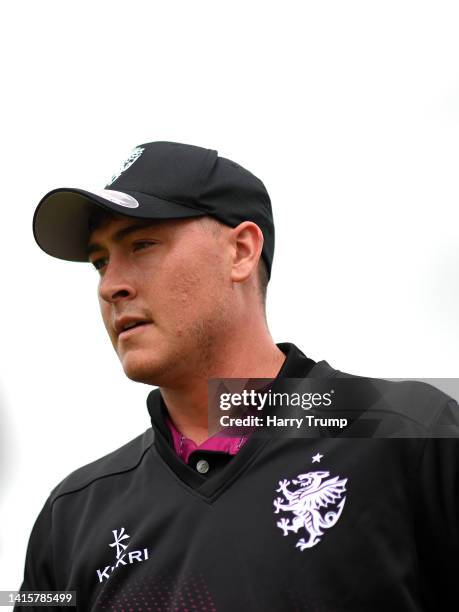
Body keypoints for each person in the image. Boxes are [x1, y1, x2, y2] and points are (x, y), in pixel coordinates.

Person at [16, 141, 458, 611]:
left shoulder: (411, 433)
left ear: (241, 252)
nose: (110, 285)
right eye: (101, 261)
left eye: (141, 244)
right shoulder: (71, 516)